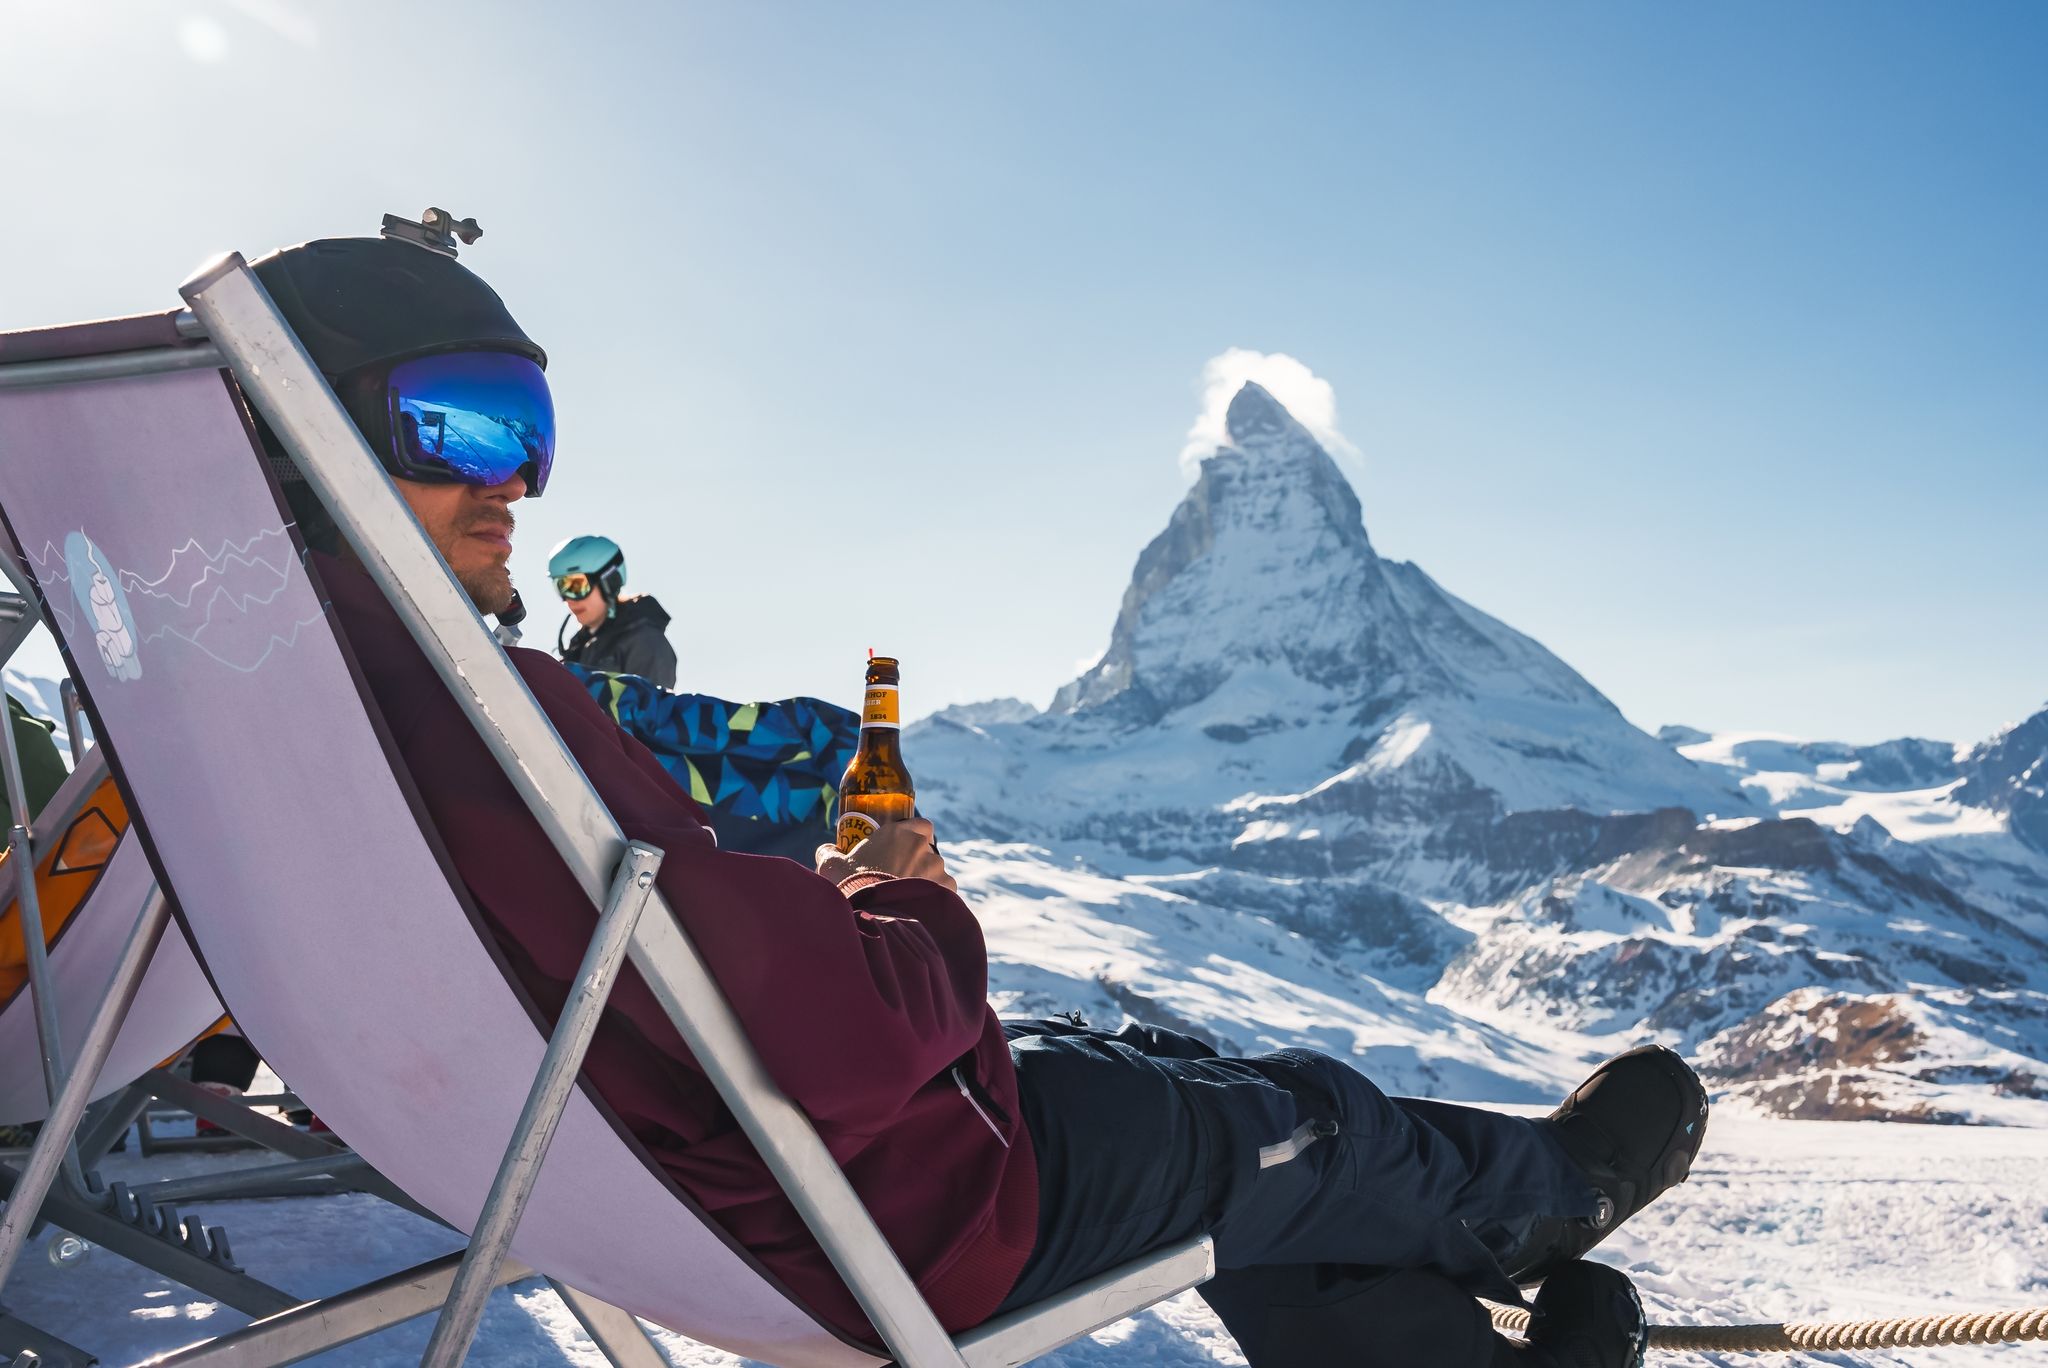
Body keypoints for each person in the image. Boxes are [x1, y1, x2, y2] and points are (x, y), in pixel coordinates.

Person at [251, 214, 1707, 1368]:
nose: (516, 483)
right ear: (306, 440)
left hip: (684, 1183)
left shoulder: (300, 719)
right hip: (867, 1217)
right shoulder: (485, 717)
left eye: (527, 427)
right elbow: (852, 1032)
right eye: (457, 421)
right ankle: (1552, 1192)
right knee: (1289, 1124)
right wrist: (908, 897)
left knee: (1161, 1063)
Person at [549, 534, 677, 688]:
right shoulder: (580, 647)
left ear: (609, 581)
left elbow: (650, 709)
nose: (568, 599)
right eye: (561, 587)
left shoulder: (644, 643)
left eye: (577, 586)